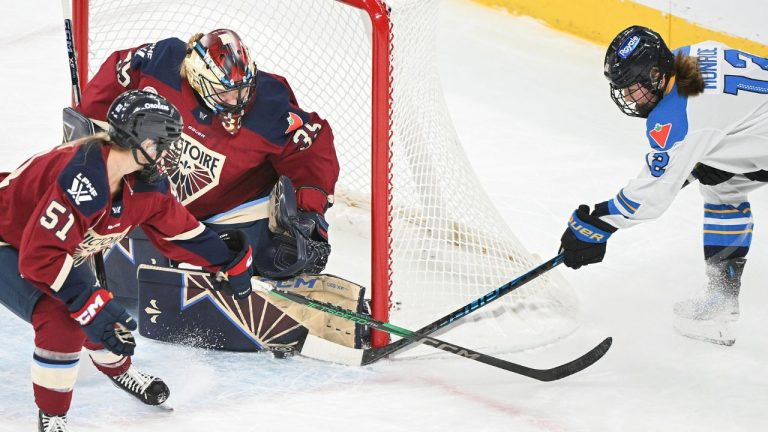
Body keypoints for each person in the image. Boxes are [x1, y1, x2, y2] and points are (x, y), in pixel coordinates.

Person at [0, 90, 254, 432]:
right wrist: (87, 304)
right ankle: (53, 416)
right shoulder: (82, 180)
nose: (164, 155)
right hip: (10, 241)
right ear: (144, 143)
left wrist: (228, 261)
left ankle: (121, 372)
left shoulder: (144, 187)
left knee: (95, 311)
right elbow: (39, 256)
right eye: (162, 145)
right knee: (65, 318)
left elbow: (180, 231)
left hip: (47, 247)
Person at [76, 28, 338, 289]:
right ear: (197, 77)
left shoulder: (268, 105)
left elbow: (311, 145)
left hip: (227, 210)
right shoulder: (161, 62)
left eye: (242, 89)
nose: (236, 100)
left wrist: (309, 210)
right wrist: (88, 136)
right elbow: (109, 87)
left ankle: (263, 280)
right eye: (224, 92)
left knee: (279, 250)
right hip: (155, 200)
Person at [558, 25, 767, 346]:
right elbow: (727, 114)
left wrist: (596, 224)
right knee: (722, 185)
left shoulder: (678, 116)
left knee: (721, 186)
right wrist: (704, 160)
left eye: (632, 88)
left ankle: (721, 301)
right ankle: (721, 298)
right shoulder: (689, 54)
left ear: (656, 74)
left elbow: (651, 199)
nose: (627, 96)